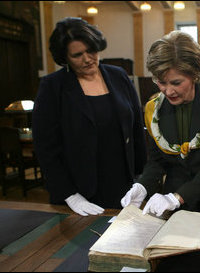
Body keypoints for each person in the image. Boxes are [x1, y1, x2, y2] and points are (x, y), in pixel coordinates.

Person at [121, 31, 200, 217]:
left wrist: (177, 197)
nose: (167, 90)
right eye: (161, 82)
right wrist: (142, 185)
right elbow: (157, 161)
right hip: (177, 185)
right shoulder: (153, 110)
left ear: (195, 74)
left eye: (176, 82)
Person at [32, 17, 147, 216]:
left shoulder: (118, 76)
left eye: (91, 51)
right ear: (64, 57)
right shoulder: (53, 87)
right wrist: (69, 194)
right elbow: (45, 148)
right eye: (77, 55)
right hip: (79, 189)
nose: (87, 59)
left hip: (123, 182)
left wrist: (143, 178)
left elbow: (136, 128)